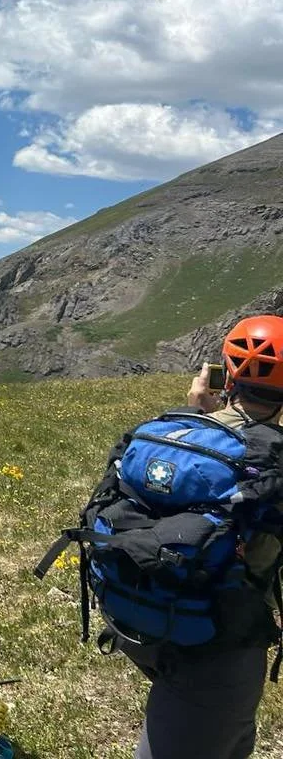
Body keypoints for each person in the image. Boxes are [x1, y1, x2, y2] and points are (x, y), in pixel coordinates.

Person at [124, 316, 283, 759]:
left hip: (139, 614)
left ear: (226, 375)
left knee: (228, 737)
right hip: (219, 639)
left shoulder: (180, 433)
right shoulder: (275, 459)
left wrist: (202, 414)